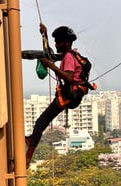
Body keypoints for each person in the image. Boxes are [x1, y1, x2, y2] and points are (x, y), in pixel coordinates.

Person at [25, 23, 89, 169]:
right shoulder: (73, 54)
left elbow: (70, 77)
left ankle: (28, 157)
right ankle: (31, 140)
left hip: (68, 95)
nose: (56, 44)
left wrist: (51, 66)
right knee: (41, 122)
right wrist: (44, 36)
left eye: (58, 41)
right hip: (73, 95)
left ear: (66, 42)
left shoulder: (68, 57)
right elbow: (50, 55)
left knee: (41, 122)